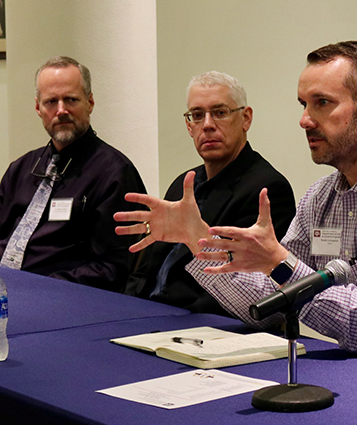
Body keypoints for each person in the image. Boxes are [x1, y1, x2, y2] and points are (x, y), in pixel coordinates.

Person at [115, 41, 357, 378]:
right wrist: (198, 240)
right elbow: (266, 311)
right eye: (304, 104)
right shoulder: (321, 197)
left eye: (322, 104)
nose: (304, 120)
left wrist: (280, 263)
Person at [124, 72, 295, 316]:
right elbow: (148, 268)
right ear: (188, 126)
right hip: (149, 313)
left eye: (220, 112)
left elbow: (243, 293)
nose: (207, 124)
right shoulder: (183, 184)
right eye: (197, 115)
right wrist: (126, 308)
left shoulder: (267, 189)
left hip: (198, 324)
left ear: (246, 118)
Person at [0, 56, 147, 291]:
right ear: (38, 108)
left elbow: (113, 268)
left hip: (63, 299)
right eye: (51, 102)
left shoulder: (115, 173)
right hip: (0, 294)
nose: (61, 110)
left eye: (71, 100)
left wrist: (37, 286)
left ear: (90, 102)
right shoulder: (22, 168)